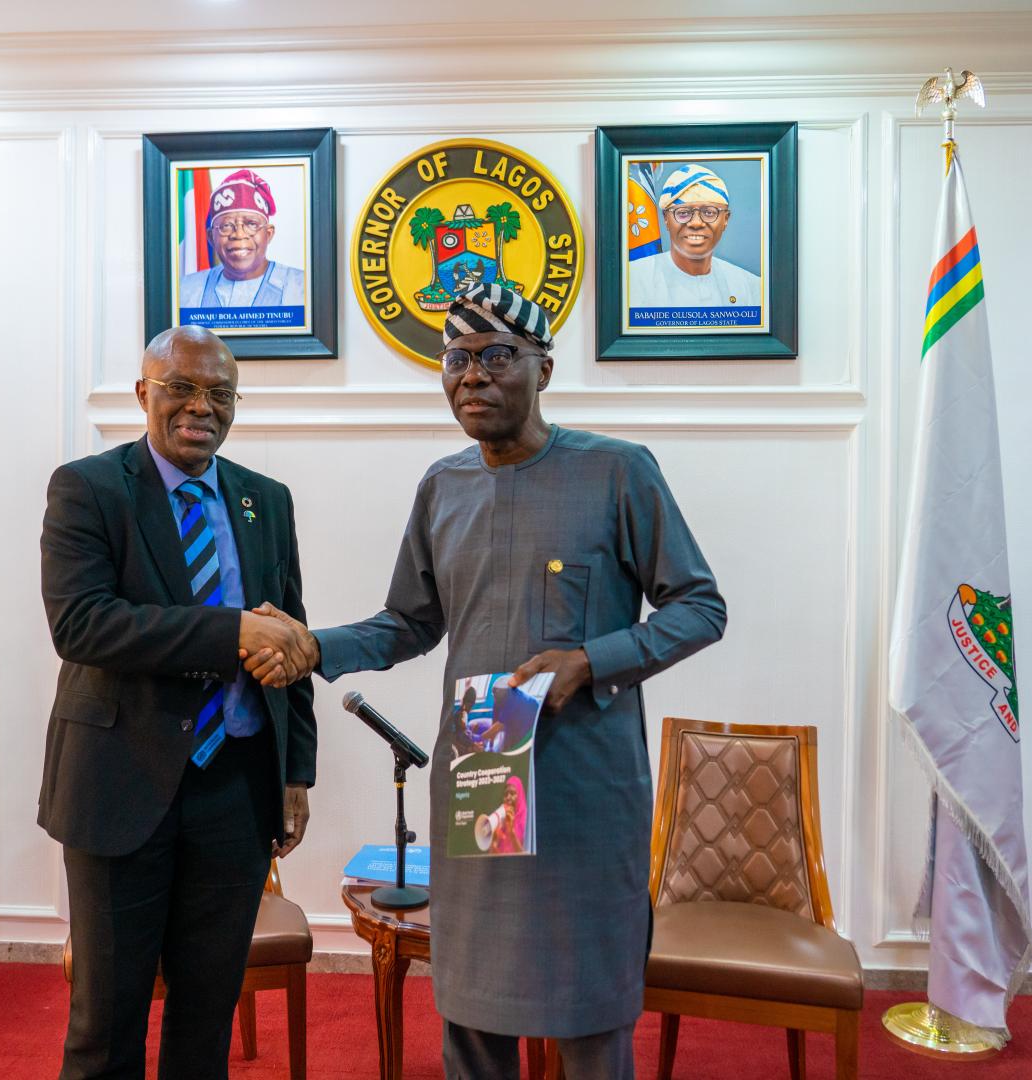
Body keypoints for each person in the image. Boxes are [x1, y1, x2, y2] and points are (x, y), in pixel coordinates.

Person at [245, 284, 728, 1079]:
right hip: (484, 748)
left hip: (587, 771)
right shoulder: (444, 486)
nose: (472, 376)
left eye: (497, 357)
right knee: (476, 999)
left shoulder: (617, 472)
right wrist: (311, 646)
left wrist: (591, 660)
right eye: (457, 360)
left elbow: (698, 606)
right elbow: (408, 622)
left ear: (542, 368)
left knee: (587, 997)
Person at [38, 324, 317, 1080]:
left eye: (218, 394)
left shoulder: (266, 500)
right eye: (181, 388)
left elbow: (288, 645)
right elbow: (83, 624)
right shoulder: (88, 487)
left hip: (236, 788)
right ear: (142, 393)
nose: (201, 407)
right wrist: (230, 631)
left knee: (206, 1015)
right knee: (108, 1018)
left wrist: (295, 775)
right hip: (119, 785)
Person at [627, 162, 762, 310]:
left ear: (726, 220)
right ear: (666, 219)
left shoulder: (751, 289)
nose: (696, 223)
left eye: (709, 212)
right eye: (683, 213)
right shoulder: (629, 282)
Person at [179, 168, 306, 311]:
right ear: (211, 238)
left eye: (251, 224)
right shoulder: (184, 291)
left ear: (268, 234)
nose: (239, 234)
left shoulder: (304, 287)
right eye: (226, 225)